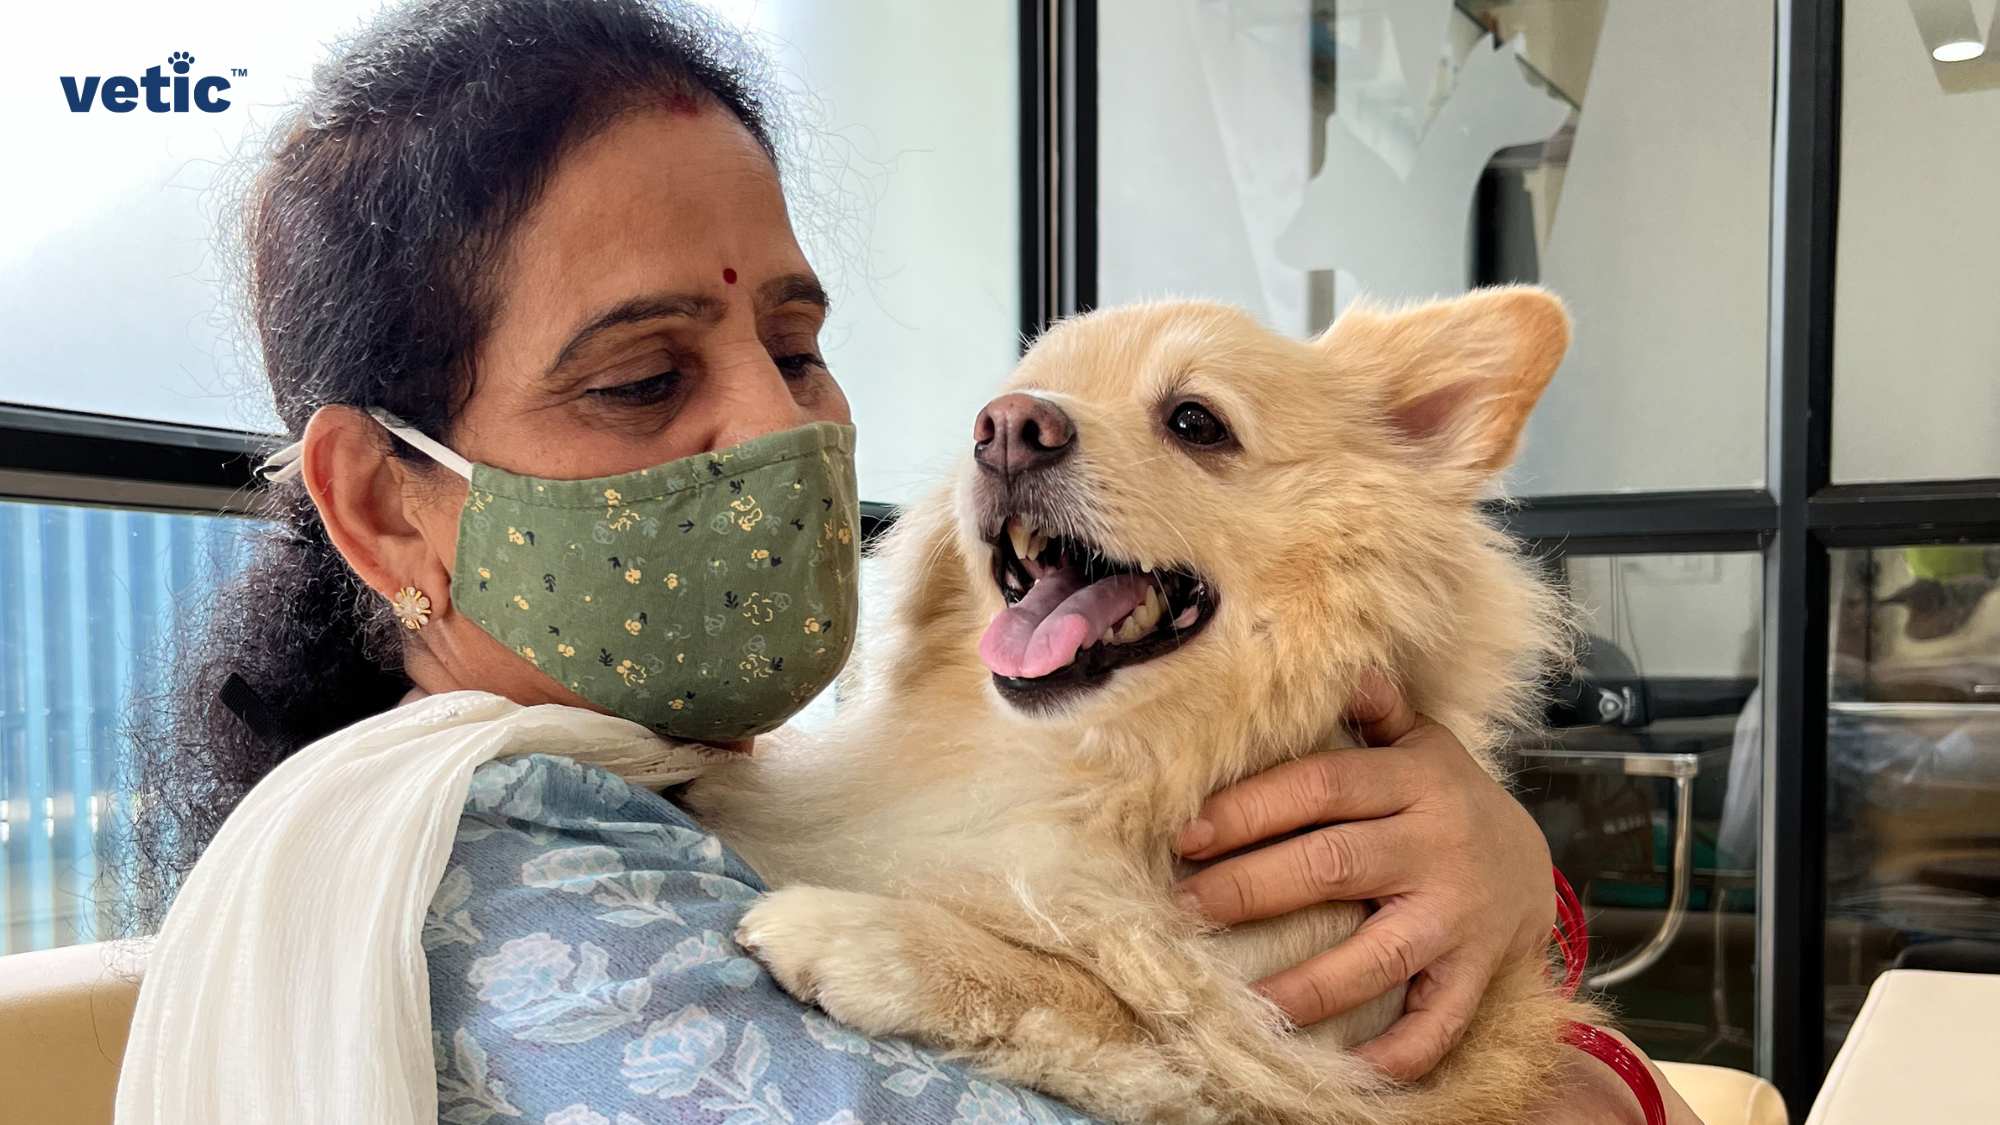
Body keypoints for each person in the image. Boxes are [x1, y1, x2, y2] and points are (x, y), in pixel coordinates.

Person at [115, 2, 1695, 1123]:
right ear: (390, 507)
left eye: (795, 346)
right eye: (642, 379)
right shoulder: (525, 911)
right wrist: (1585, 1087)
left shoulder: (689, 782)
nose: (772, 428)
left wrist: (1497, 887)